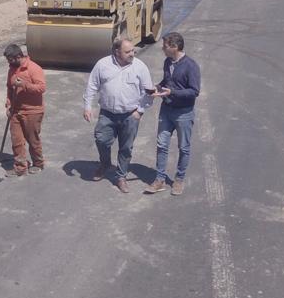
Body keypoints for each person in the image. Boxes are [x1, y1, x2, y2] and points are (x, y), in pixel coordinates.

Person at [83, 38, 155, 193]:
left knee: (126, 147)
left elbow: (149, 92)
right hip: (107, 114)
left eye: (133, 50)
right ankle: (105, 164)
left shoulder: (139, 67)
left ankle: (121, 176)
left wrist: (140, 110)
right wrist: (87, 106)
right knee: (101, 139)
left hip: (130, 115)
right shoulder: (103, 65)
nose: (132, 54)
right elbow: (92, 86)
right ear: (116, 52)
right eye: (128, 51)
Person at [144, 32, 201, 196]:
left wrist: (172, 92)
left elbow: (194, 91)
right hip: (166, 110)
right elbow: (167, 82)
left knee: (184, 147)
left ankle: (179, 179)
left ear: (175, 47)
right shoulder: (167, 61)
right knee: (161, 145)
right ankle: (159, 179)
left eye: (165, 46)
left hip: (184, 113)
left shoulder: (191, 66)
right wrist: (157, 87)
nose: (162, 48)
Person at [3, 43, 46, 176]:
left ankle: (38, 163)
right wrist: (8, 104)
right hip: (16, 110)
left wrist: (25, 85)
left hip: (32, 111)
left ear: (18, 56)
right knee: (17, 140)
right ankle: (20, 167)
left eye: (10, 59)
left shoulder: (34, 68)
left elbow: (41, 88)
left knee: (32, 139)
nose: (9, 63)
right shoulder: (12, 69)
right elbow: (10, 88)